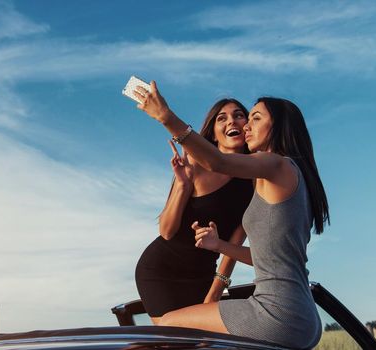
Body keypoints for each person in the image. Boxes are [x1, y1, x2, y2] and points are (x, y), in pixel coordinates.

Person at [133, 82, 330, 349]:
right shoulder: (285, 180)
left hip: (276, 312)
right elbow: (269, 259)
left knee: (169, 327)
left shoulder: (277, 165)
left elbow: (218, 161)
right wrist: (220, 245)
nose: (246, 125)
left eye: (255, 118)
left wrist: (165, 117)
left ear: (281, 126)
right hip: (305, 318)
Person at [135, 99, 254, 325]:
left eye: (239, 115)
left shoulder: (255, 180)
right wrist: (183, 185)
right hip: (161, 271)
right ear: (215, 133)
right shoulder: (194, 163)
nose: (231, 120)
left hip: (202, 275)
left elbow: (235, 245)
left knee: (198, 342)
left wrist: (215, 291)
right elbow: (167, 232)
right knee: (176, 341)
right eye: (222, 118)